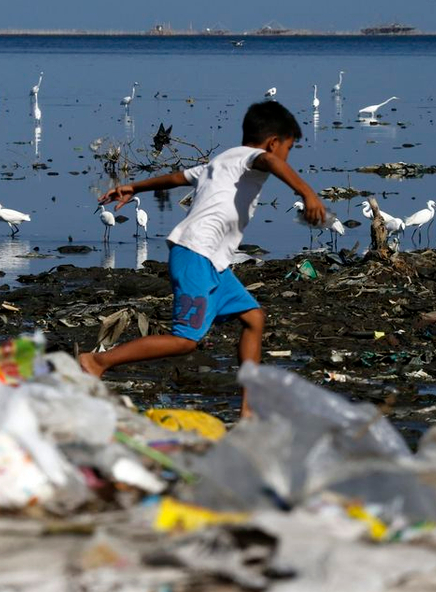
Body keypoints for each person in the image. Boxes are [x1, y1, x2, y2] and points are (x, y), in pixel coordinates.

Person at [79, 101, 326, 416]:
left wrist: (133, 186)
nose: (287, 157)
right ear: (273, 142)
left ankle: (248, 409)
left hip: (213, 262)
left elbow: (177, 178)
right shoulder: (255, 158)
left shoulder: (223, 161)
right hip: (196, 252)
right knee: (185, 341)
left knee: (253, 318)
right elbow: (268, 161)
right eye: (289, 148)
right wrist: (307, 193)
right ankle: (97, 361)